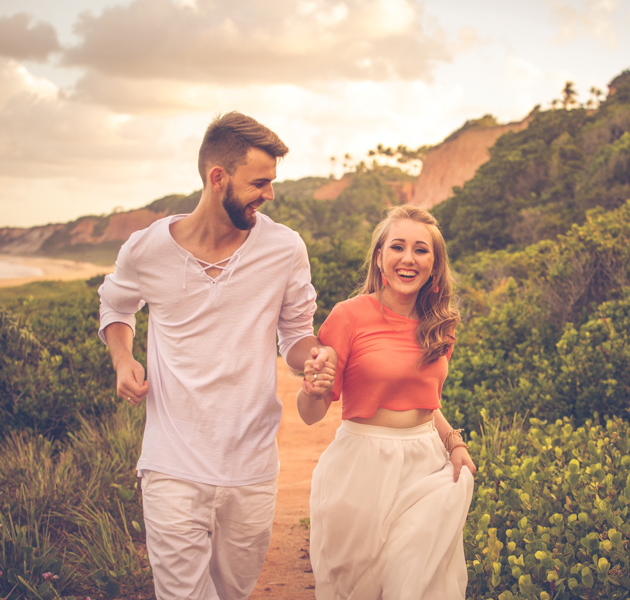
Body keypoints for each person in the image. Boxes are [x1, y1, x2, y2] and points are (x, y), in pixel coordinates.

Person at [97, 111, 335, 600]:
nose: (269, 193)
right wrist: (123, 358)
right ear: (217, 177)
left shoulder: (284, 248)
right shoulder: (147, 250)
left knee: (232, 592)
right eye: (260, 182)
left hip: (251, 464)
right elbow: (116, 304)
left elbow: (295, 336)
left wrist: (315, 360)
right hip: (171, 463)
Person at [296, 205, 476, 600]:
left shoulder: (441, 324)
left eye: (421, 250)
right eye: (397, 247)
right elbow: (311, 414)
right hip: (362, 467)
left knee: (418, 584)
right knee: (359, 587)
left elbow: (426, 403)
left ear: (435, 264)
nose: (408, 258)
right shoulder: (348, 316)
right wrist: (311, 390)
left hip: (425, 464)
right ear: (380, 257)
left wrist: (455, 444)